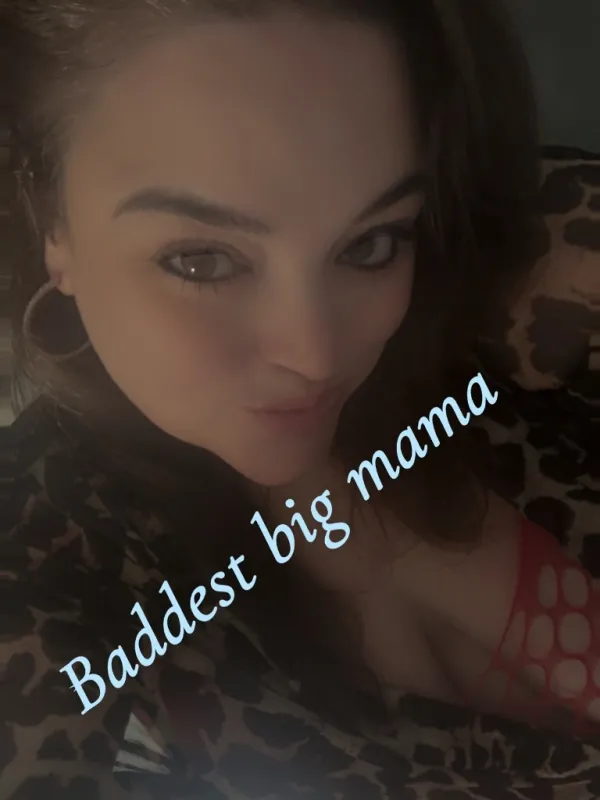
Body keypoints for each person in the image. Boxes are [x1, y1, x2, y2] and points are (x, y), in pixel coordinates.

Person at [0, 0, 598, 797]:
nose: (315, 354)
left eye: (372, 242)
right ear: (52, 220)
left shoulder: (517, 284)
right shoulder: (50, 559)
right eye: (202, 260)